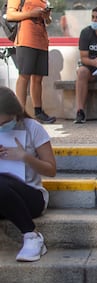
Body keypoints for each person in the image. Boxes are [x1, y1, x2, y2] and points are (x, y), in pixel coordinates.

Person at [0, 86, 56, 261]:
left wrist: (24, 157)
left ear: (14, 114)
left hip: (30, 196)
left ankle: (32, 236)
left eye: (3, 123)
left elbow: (51, 169)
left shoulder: (33, 128)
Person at [6, 0, 56, 124]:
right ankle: (19, 113)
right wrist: (31, 13)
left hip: (42, 42)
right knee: (24, 76)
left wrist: (46, 16)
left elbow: (48, 21)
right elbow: (10, 15)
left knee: (38, 78)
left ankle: (38, 112)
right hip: (25, 40)